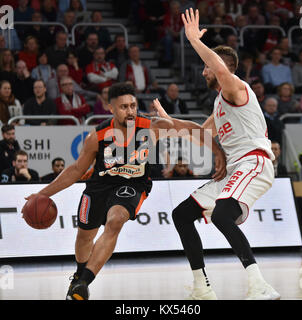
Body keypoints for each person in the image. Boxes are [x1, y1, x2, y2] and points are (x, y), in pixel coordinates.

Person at [23, 82, 226, 300]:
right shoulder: (98, 136)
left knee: (115, 221)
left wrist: (217, 152)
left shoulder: (150, 126)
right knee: (84, 237)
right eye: (123, 107)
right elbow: (75, 170)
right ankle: (79, 275)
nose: (130, 111)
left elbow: (188, 127)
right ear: (111, 108)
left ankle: (83, 283)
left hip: (133, 185)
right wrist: (43, 194)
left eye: (133, 106)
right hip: (100, 185)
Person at [154, 8, 280, 300]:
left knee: (223, 215)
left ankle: (260, 285)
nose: (203, 71)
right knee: (182, 214)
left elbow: (221, 71)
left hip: (255, 162)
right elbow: (201, 133)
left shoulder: (237, 87)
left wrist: (194, 41)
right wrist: (169, 124)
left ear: (220, 65)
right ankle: (202, 287)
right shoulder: (220, 103)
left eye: (206, 66)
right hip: (237, 168)